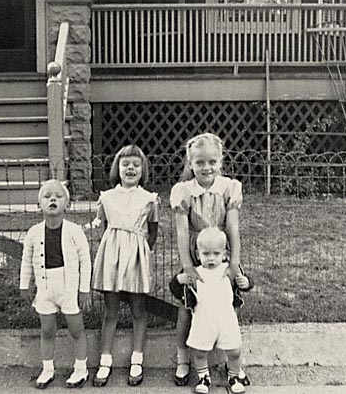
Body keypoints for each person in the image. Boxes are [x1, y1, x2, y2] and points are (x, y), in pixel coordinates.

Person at [170, 133, 248, 388]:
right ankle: (184, 359)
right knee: (188, 307)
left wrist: (234, 261)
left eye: (212, 162)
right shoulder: (184, 191)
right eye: (200, 162)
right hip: (196, 253)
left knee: (227, 306)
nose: (206, 168)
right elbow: (182, 231)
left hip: (221, 253)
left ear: (221, 162)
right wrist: (188, 265)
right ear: (191, 163)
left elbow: (233, 228)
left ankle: (231, 362)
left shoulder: (229, 188)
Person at [86, 144, 159, 387]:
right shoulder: (107, 197)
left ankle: (137, 358)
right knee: (111, 310)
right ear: (117, 168)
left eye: (136, 165)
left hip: (136, 257)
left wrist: (139, 252)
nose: (130, 168)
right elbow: (104, 227)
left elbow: (153, 232)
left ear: (143, 170)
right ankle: (105, 360)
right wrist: (114, 252)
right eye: (125, 164)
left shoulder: (149, 199)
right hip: (112, 257)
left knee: (139, 309)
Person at [19, 179, 92, 389]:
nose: (53, 199)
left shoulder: (74, 231)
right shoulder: (33, 233)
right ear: (39, 204)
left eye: (58, 196)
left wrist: (84, 289)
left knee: (76, 328)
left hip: (68, 287)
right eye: (47, 196)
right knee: (47, 329)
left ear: (67, 205)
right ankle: (48, 369)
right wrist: (25, 284)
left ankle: (81, 369)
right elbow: (26, 260)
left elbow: (85, 261)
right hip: (45, 287)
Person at [170, 227, 253, 394]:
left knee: (235, 350)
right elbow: (178, 292)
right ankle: (203, 378)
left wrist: (247, 282)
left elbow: (243, 283)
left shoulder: (229, 270)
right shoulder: (195, 273)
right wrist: (178, 280)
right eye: (206, 254)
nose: (211, 258)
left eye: (216, 254)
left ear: (224, 254)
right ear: (198, 254)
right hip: (203, 320)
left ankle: (234, 375)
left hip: (226, 320)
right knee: (199, 352)